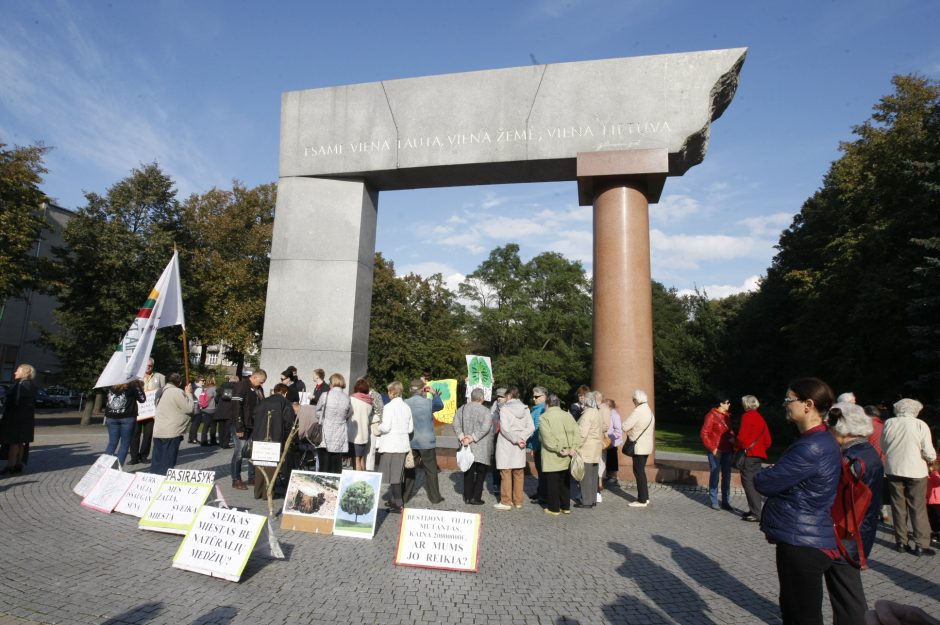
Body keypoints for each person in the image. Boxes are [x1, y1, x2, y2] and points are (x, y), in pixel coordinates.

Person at [754, 377, 867, 625]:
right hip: (807, 534)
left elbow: (764, 482)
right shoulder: (820, 439)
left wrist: (770, 473)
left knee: (800, 616)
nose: (785, 404)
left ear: (808, 404)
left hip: (803, 541)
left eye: (788, 399)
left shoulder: (812, 446)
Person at [828, 401, 884, 561]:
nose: (829, 430)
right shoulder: (867, 451)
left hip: (847, 535)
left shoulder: (851, 459)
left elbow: (836, 497)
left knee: (845, 581)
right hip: (860, 530)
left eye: (832, 426)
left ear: (844, 430)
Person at [882, 397, 937, 556]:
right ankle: (921, 544)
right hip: (915, 470)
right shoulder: (920, 425)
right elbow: (928, 451)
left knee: (898, 506)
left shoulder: (889, 423)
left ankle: (901, 542)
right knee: (917, 507)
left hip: (894, 468)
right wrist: (931, 460)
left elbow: (884, 446)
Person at [538, 394, 582, 515]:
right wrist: (573, 448)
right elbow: (577, 433)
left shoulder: (544, 417)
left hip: (553, 455)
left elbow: (548, 439)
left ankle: (554, 508)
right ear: (558, 403)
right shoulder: (567, 415)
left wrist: (560, 449)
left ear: (547, 404)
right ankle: (565, 506)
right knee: (565, 481)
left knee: (553, 482)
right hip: (568, 453)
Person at [403, 379, 445, 504]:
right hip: (427, 442)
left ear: (410, 390)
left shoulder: (405, 403)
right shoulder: (428, 403)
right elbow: (440, 405)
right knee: (431, 470)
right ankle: (435, 497)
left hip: (411, 441)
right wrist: (434, 393)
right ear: (423, 389)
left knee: (409, 468)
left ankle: (405, 496)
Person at [251, 382, 295, 499]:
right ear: (285, 393)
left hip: (260, 437)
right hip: (275, 438)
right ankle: (267, 494)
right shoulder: (285, 403)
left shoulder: (263, 401)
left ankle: (258, 492)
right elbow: (288, 423)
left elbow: (254, 417)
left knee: (260, 464)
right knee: (271, 465)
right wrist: (286, 439)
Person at [494, 387, 534, 510]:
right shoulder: (525, 409)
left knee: (505, 472)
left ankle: (506, 501)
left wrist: (516, 439)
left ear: (509, 396)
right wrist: (522, 438)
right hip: (520, 445)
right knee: (518, 473)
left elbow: (505, 429)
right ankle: (518, 501)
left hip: (507, 444)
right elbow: (531, 427)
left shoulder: (505, 409)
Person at [375, 381, 413, 512]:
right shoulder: (407, 407)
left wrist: (378, 426)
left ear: (393, 392)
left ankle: (399, 504)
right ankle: (393, 501)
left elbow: (386, 427)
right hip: (402, 445)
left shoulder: (389, 407)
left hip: (391, 445)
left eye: (389, 391)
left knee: (394, 477)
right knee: (396, 475)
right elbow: (410, 429)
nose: (388, 394)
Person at [735, 395, 772, 521]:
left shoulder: (746, 416)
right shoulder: (761, 418)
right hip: (758, 455)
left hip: (749, 455)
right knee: (754, 482)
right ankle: (754, 510)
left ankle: (756, 513)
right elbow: (768, 441)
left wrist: (736, 445)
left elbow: (741, 437)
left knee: (748, 483)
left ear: (746, 404)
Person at [454, 388, 493, 505]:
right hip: (480, 445)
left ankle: (467, 497)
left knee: (468, 471)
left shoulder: (462, 408)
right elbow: (486, 427)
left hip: (466, 445)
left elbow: (455, 423)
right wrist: (473, 437)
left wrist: (462, 437)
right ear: (482, 398)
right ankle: (476, 498)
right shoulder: (486, 411)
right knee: (481, 473)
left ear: (471, 397)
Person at [150, 373, 195, 477]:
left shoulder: (160, 391)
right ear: (179, 382)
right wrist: (188, 393)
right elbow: (189, 408)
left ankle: (153, 482)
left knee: (156, 462)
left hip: (159, 431)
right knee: (167, 463)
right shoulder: (177, 392)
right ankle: (163, 484)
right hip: (171, 432)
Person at [231, 370, 266, 488]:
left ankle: (252, 477)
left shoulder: (259, 389)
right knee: (240, 452)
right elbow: (236, 408)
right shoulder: (242, 386)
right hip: (242, 425)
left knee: (253, 452)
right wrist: (239, 427)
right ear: (254, 377)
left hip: (253, 425)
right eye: (261, 382)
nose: (262, 384)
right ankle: (236, 479)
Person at [700, 393, 735, 511]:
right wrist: (712, 448)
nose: (729, 404)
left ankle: (726, 501)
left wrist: (733, 438)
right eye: (727, 402)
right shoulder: (711, 416)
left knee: (727, 476)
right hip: (716, 450)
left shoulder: (727, 416)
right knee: (715, 474)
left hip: (727, 450)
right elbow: (704, 433)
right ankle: (714, 500)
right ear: (721, 404)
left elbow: (729, 431)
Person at [0, 363, 36, 475]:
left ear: (24, 372)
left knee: (13, 441)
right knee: (21, 442)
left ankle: (10, 465)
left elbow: (12, 402)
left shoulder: (19, 385)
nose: (15, 372)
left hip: (15, 418)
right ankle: (18, 464)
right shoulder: (31, 385)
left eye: (17, 370)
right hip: (26, 419)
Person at [622, 389, 655, 508]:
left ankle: (641, 500)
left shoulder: (638, 411)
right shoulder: (649, 411)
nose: (633, 402)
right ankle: (645, 497)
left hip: (638, 447)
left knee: (639, 472)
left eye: (633, 400)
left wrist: (629, 431)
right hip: (646, 446)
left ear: (636, 400)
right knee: (641, 471)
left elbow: (625, 426)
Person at [316, 373, 353, 474]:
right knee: (336, 465)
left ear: (332, 383)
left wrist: (323, 418)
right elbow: (350, 413)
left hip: (325, 433)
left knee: (324, 465)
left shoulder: (325, 395)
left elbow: (317, 410)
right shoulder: (347, 398)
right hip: (340, 432)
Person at [129, 358, 164, 464]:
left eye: (150, 366)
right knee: (135, 434)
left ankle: (144, 456)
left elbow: (163, 392)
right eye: (146, 365)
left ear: (153, 366)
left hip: (151, 411)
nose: (148, 367)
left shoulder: (160, 377)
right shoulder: (136, 377)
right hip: (137, 411)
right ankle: (134, 457)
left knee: (148, 435)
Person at [103, 380, 146, 466]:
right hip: (127, 418)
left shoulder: (110, 384)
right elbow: (142, 399)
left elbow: (106, 400)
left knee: (112, 443)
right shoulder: (133, 385)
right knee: (124, 444)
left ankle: (103, 467)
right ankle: (117, 468)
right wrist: (139, 387)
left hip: (111, 416)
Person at [575, 391, 604, 509]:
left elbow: (582, 434)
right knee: (592, 476)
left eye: (583, 399)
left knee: (585, 476)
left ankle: (586, 501)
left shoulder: (587, 414)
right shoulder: (596, 412)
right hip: (596, 448)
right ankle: (592, 499)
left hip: (587, 449)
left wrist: (575, 446)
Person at [349, 378, 374, 472]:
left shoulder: (352, 399)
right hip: (364, 434)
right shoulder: (369, 402)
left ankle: (357, 479)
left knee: (355, 460)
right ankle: (363, 478)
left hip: (353, 434)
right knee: (361, 458)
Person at [527, 386, 547, 504]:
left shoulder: (542, 409)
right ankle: (540, 492)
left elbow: (538, 429)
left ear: (544, 396)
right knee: (540, 471)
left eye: (537, 396)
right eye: (533, 396)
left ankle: (543, 495)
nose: (534, 398)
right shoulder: (537, 408)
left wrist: (534, 446)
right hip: (536, 444)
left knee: (542, 471)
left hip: (540, 445)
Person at [489, 387, 508, 497]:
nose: (499, 398)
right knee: (496, 460)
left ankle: (505, 485)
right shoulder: (495, 405)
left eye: (502, 396)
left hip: (506, 437)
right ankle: (496, 483)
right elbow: (490, 417)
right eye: (498, 396)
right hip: (496, 436)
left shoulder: (508, 406)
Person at [603, 398, 623, 486]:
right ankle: (608, 475)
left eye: (605, 405)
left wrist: (611, 439)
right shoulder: (607, 413)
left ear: (609, 406)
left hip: (612, 441)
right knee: (607, 458)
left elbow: (618, 430)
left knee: (612, 458)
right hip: (606, 441)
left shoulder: (615, 415)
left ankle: (614, 477)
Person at [214, 375, 238, 450]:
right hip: (230, 410)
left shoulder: (222, 387)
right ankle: (225, 443)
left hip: (221, 410)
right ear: (236, 381)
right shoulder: (237, 388)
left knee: (221, 427)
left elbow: (216, 399)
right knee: (228, 428)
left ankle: (221, 442)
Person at [198, 378, 218, 446]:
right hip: (212, 409)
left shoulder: (205, 389)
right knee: (213, 426)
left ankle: (204, 441)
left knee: (205, 426)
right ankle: (213, 441)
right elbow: (217, 398)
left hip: (204, 409)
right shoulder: (214, 388)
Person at [927, 460, 940, 547]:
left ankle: (937, 532)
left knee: (936, 518)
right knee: (932, 518)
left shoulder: (935, 475)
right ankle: (935, 532)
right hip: (929, 501)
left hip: (936, 501)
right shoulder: (929, 475)